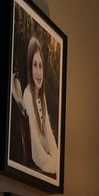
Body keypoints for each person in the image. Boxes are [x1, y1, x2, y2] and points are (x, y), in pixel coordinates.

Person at [21, 37, 58, 176]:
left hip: (47, 159)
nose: (38, 72)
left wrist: (57, 160)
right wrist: (52, 165)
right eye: (34, 65)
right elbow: (36, 149)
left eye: (40, 66)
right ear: (29, 68)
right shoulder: (27, 95)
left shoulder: (42, 97)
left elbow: (49, 134)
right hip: (39, 162)